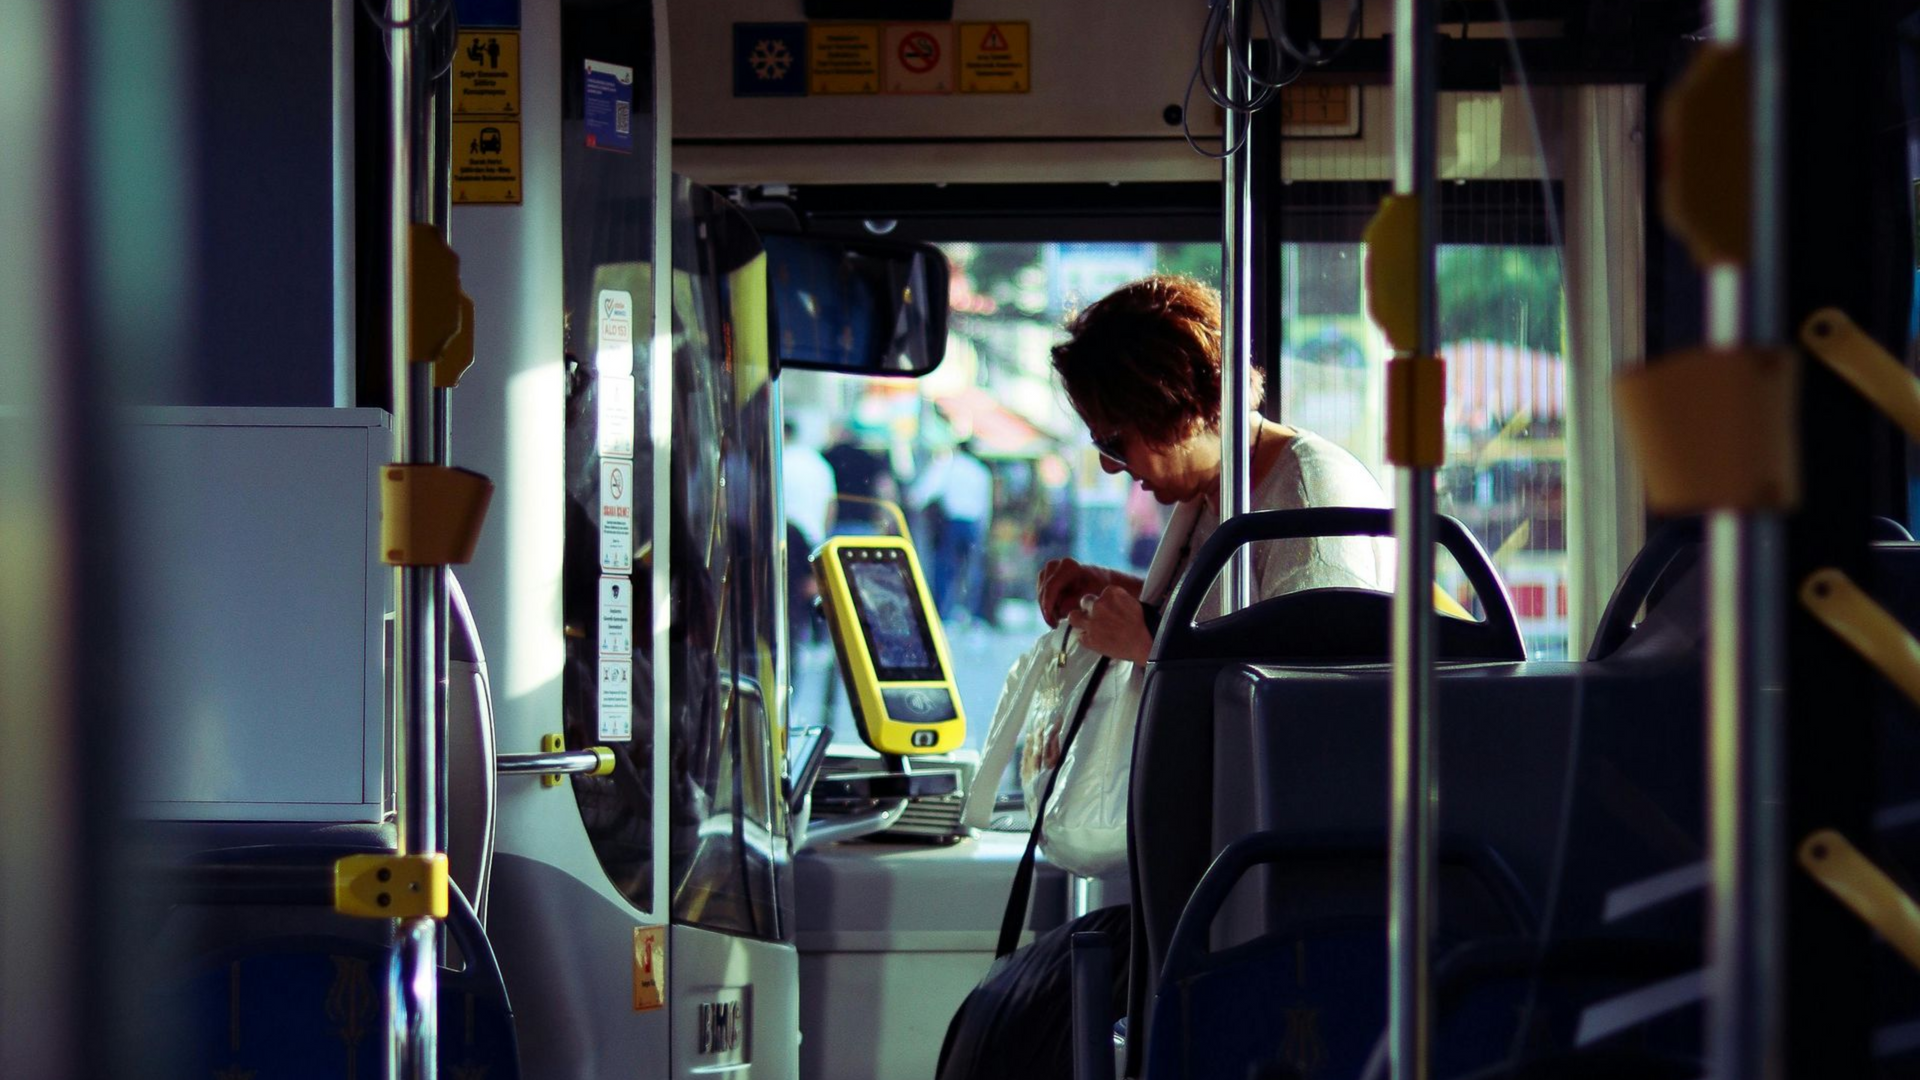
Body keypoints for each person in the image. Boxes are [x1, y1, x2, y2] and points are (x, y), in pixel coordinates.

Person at [937, 274, 1391, 1080]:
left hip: (1269, 888)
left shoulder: (1308, 495)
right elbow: (1221, 621)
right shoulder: (1218, 498)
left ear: (1181, 405)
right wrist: (1118, 593)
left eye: (1119, 440)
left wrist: (1152, 645)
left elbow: (1318, 710)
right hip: (1202, 862)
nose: (1115, 469)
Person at [909, 438, 994, 620]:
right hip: (974, 525)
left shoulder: (950, 465)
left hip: (953, 523)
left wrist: (914, 500)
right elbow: (986, 506)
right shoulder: (981, 471)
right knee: (972, 571)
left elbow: (926, 490)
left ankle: (942, 613)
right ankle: (971, 613)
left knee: (946, 569)